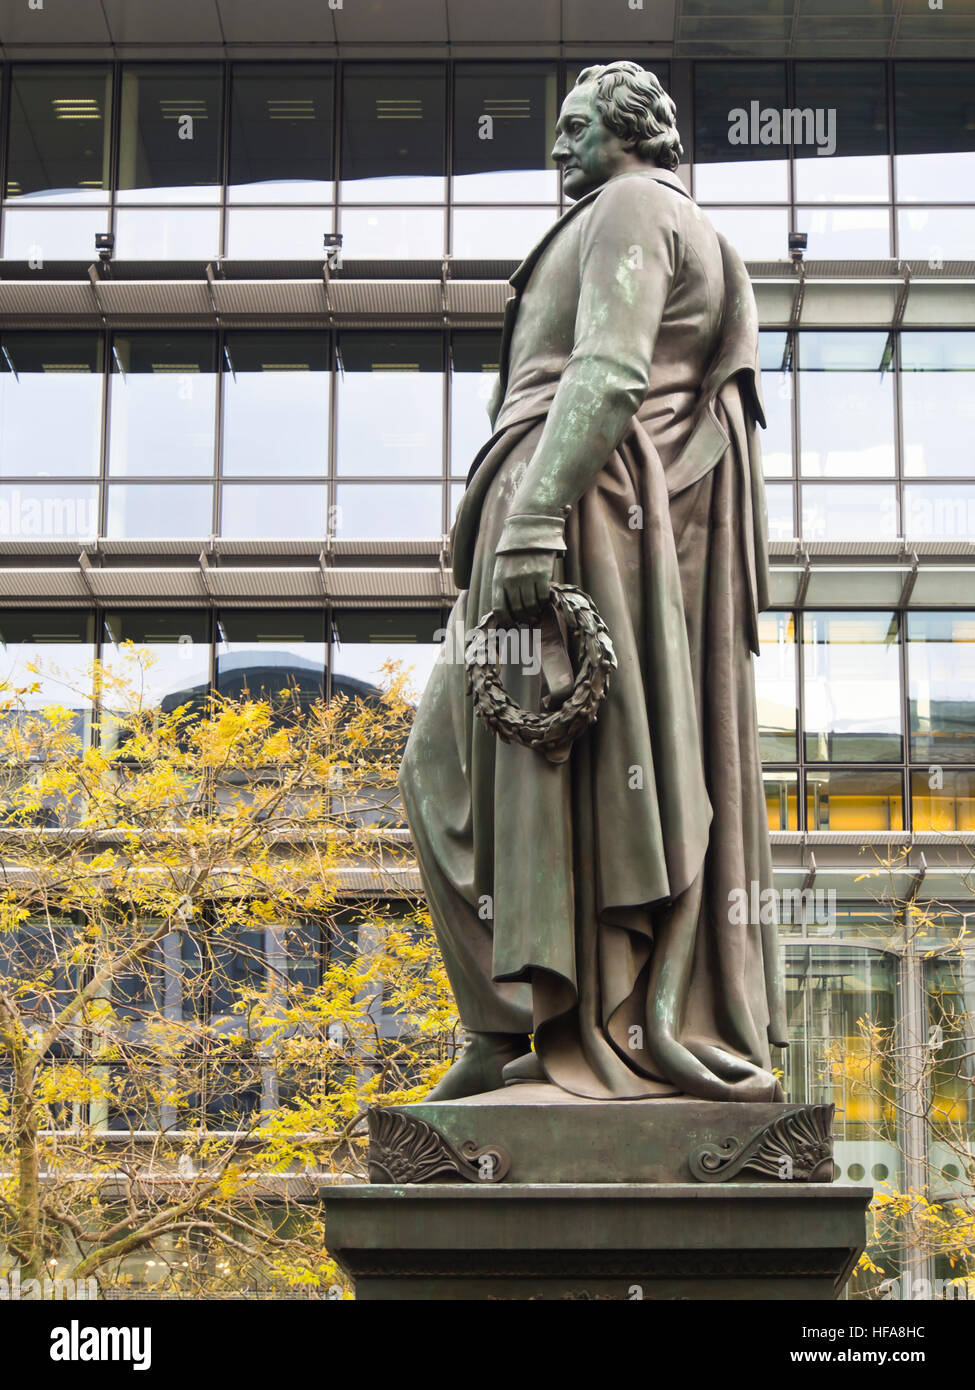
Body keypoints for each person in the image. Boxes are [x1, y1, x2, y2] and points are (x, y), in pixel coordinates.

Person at [399, 61, 788, 1103]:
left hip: (569, 514)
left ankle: (563, 1017)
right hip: (560, 503)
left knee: (492, 761)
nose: (554, 148)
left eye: (574, 127)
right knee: (448, 765)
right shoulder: (622, 214)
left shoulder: (631, 206)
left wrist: (532, 517)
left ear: (632, 130)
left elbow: (610, 369)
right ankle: (514, 1017)